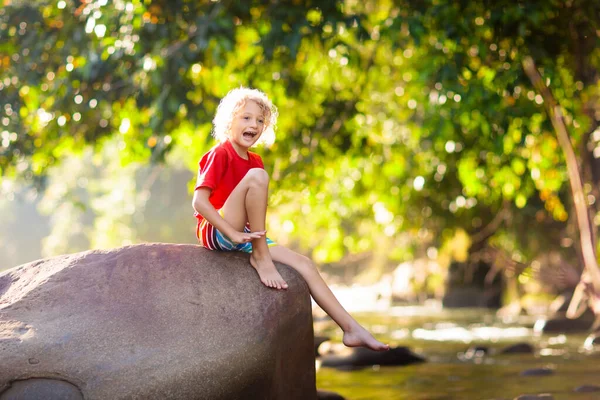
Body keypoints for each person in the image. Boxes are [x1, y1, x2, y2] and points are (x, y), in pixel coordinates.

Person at [192, 87, 389, 352]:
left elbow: (255, 212)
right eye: (246, 118)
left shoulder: (255, 161)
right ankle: (261, 257)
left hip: (245, 234)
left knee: (305, 265)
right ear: (230, 121)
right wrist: (232, 232)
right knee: (258, 177)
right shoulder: (221, 153)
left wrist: (248, 236)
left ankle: (351, 329)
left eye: (260, 121)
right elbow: (199, 202)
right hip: (219, 230)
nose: (254, 124)